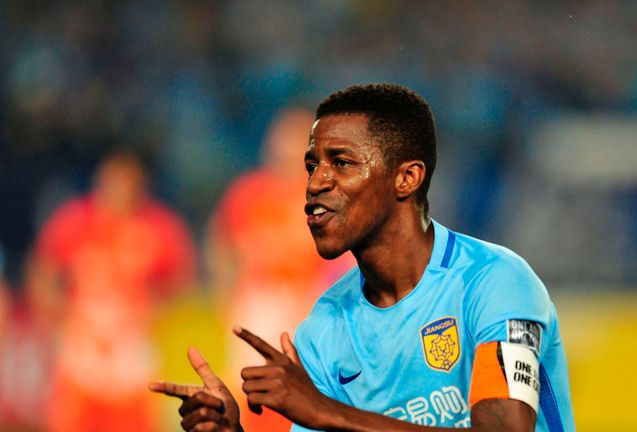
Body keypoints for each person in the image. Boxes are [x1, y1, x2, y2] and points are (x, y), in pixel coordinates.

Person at [150, 83, 574, 431]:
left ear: (406, 178)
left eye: (341, 163)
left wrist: (325, 412)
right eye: (311, 165)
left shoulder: (494, 281)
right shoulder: (324, 328)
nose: (315, 183)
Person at [28, 150, 197, 432]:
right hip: (83, 348)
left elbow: (180, 279)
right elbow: (44, 269)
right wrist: (56, 316)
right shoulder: (76, 220)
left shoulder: (158, 226)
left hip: (130, 352)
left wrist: (155, 310)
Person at [207, 107, 353, 431]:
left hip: (304, 303)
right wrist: (226, 295)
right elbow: (222, 244)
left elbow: (346, 259)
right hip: (259, 303)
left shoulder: (326, 197)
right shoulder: (249, 193)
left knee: (303, 397)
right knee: (251, 396)